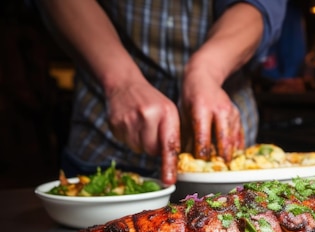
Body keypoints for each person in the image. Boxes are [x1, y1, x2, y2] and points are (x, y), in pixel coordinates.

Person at [36, 0, 287, 186]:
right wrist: (122, 82)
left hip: (226, 160)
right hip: (104, 145)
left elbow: (261, 5)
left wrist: (206, 70)